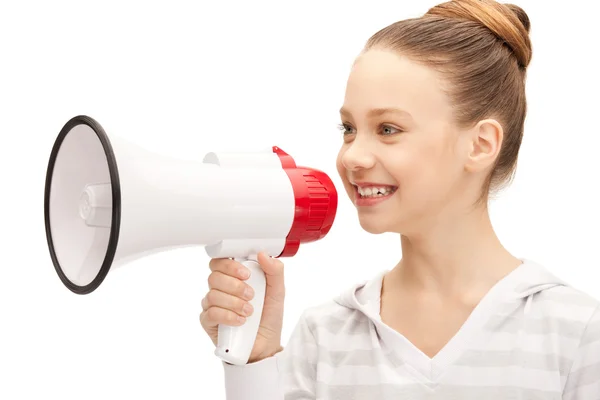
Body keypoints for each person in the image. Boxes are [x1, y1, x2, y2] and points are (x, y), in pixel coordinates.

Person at [199, 0, 600, 398]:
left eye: (388, 129)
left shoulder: (574, 331)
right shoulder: (327, 335)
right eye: (349, 128)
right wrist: (256, 360)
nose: (352, 156)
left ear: (480, 144)